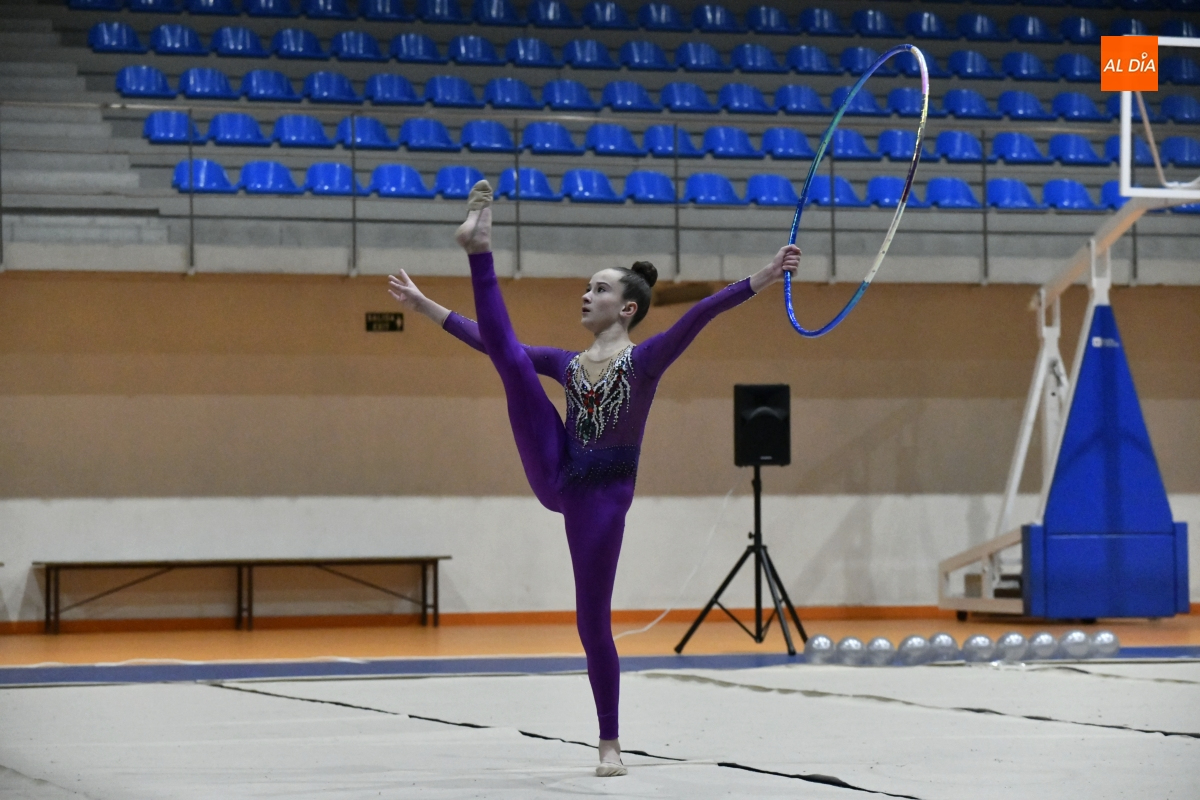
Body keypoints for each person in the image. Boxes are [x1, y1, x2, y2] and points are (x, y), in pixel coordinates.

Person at [388, 181, 801, 777]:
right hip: (557, 469)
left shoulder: (646, 361)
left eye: (600, 289)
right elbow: (493, 342)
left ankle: (610, 741)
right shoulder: (568, 364)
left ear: (627, 308)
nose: (586, 295)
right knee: (512, 364)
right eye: (587, 287)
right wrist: (426, 305)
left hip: (601, 499)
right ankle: (480, 250)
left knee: (592, 623)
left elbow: (701, 313)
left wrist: (764, 274)